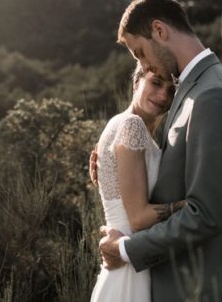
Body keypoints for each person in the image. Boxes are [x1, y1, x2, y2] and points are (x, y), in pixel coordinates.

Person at [97, 0, 222, 302]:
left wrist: (125, 250)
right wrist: (112, 167)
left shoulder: (213, 96)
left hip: (202, 285)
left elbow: (205, 214)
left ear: (159, 31)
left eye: (141, 53)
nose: (146, 66)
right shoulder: (189, 90)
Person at [90, 62, 183, 302]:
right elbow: (139, 218)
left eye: (171, 90)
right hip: (127, 263)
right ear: (136, 82)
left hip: (132, 259)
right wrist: (190, 205)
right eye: (155, 82)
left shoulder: (124, 125)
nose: (163, 95)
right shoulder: (132, 125)